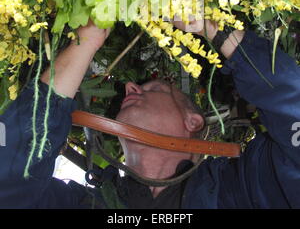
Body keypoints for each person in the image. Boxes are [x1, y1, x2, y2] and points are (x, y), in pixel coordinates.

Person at [0, 19, 299, 209]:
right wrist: (85, 43)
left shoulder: (247, 189)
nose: (130, 85)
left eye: (154, 87)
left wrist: (214, 28)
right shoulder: (87, 203)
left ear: (192, 121)